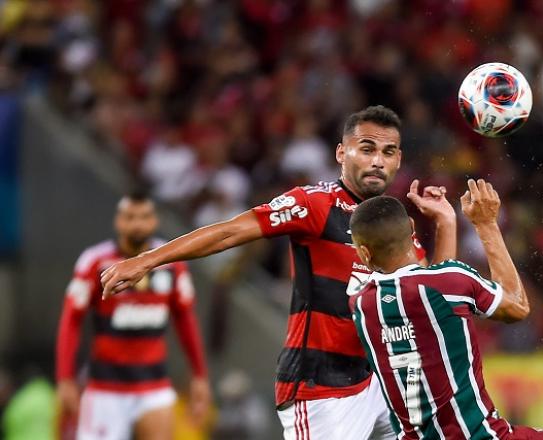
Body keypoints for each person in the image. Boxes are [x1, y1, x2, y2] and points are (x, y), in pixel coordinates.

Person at [101, 105, 458, 439]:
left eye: (388, 152)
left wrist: (446, 223)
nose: (378, 161)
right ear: (341, 153)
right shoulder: (313, 204)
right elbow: (230, 231)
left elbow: (432, 297)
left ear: (399, 159)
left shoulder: (395, 224)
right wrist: (148, 259)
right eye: (366, 149)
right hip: (322, 388)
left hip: (381, 381)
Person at [348, 180, 543, 439]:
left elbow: (427, 290)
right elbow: (517, 306)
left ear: (365, 253)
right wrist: (486, 224)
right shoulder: (450, 282)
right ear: (412, 229)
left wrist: (446, 223)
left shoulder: (361, 304)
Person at [56, 193, 210, 440]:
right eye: (130, 217)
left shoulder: (172, 263)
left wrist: (199, 375)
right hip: (105, 389)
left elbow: (185, 320)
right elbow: (71, 320)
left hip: (154, 386)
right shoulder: (95, 262)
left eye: (144, 217)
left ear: (154, 221)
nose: (137, 224)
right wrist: (65, 377)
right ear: (118, 221)